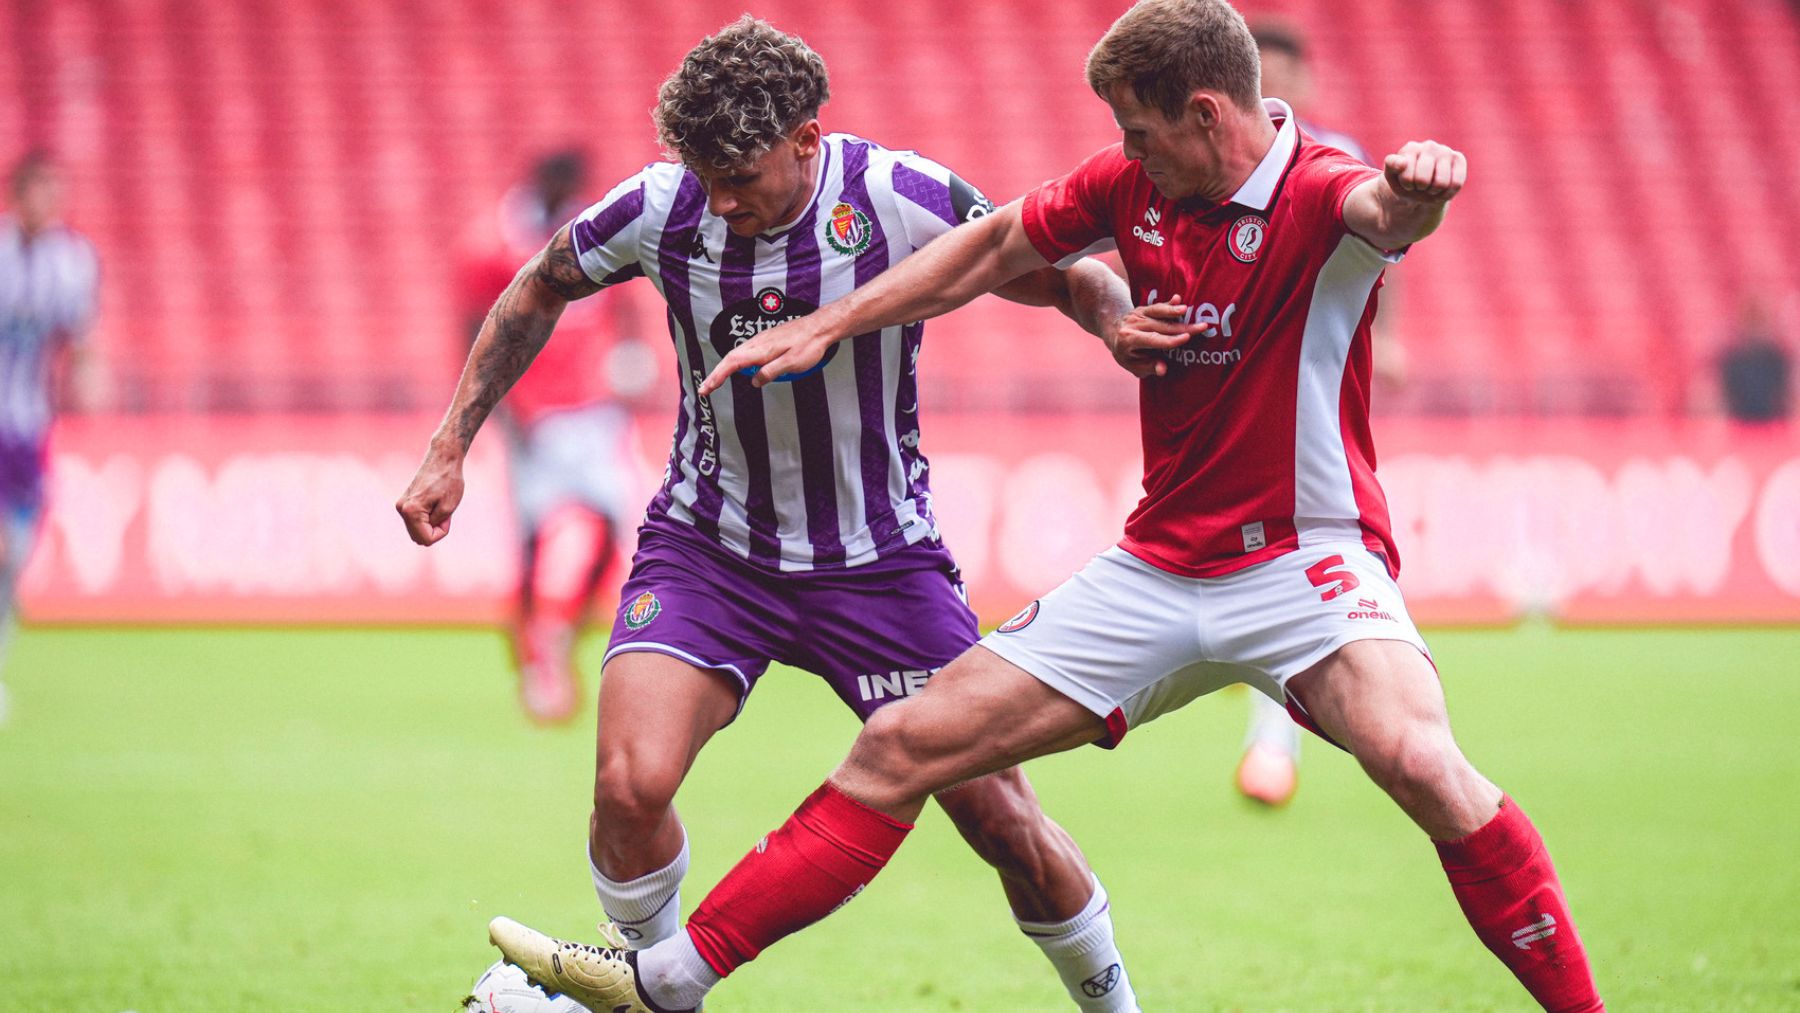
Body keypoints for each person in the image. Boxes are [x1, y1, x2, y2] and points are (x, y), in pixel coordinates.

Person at [485, 2, 1605, 1011]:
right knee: (898, 747)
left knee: (1423, 763)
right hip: (1157, 568)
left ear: (1206, 113)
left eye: (1138, 129)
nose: (1125, 150)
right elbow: (994, 246)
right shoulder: (1133, 187)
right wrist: (833, 322)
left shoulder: (1321, 188)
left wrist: (1417, 191)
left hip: (1303, 563)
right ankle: (666, 986)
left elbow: (1383, 211)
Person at [400, 17, 1145, 1012]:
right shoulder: (662, 208)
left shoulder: (897, 197)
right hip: (711, 550)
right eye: (704, 174)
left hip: (880, 563)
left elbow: (1060, 270)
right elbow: (538, 286)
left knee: (1002, 821)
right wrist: (451, 441)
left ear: (805, 140)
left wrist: (1115, 321)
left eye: (740, 176)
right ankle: (656, 992)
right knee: (627, 785)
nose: (720, 199)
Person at [1231, 17, 1388, 807]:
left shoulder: (1337, 159)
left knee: (1287, 559)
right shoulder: (1217, 161)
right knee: (1240, 560)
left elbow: (1383, 250)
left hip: (1308, 398)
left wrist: (1389, 339)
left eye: (1286, 75)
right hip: (1226, 394)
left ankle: (1273, 739)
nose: (1277, 89)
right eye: (1262, 75)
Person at [454, 149, 649, 723]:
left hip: (593, 409)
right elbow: (476, 327)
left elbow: (624, 302)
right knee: (533, 541)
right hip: (532, 413)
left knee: (611, 526)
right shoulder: (495, 242)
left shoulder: (592, 231)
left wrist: (630, 356)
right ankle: (530, 650)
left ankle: (562, 636)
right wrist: (499, 407)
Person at [0, 151, 100, 726]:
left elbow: (80, 337)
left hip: (28, 430)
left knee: (14, 556)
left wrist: (88, 377)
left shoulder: (73, 261)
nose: (45, 202)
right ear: (16, 195)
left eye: (53, 192)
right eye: (36, 190)